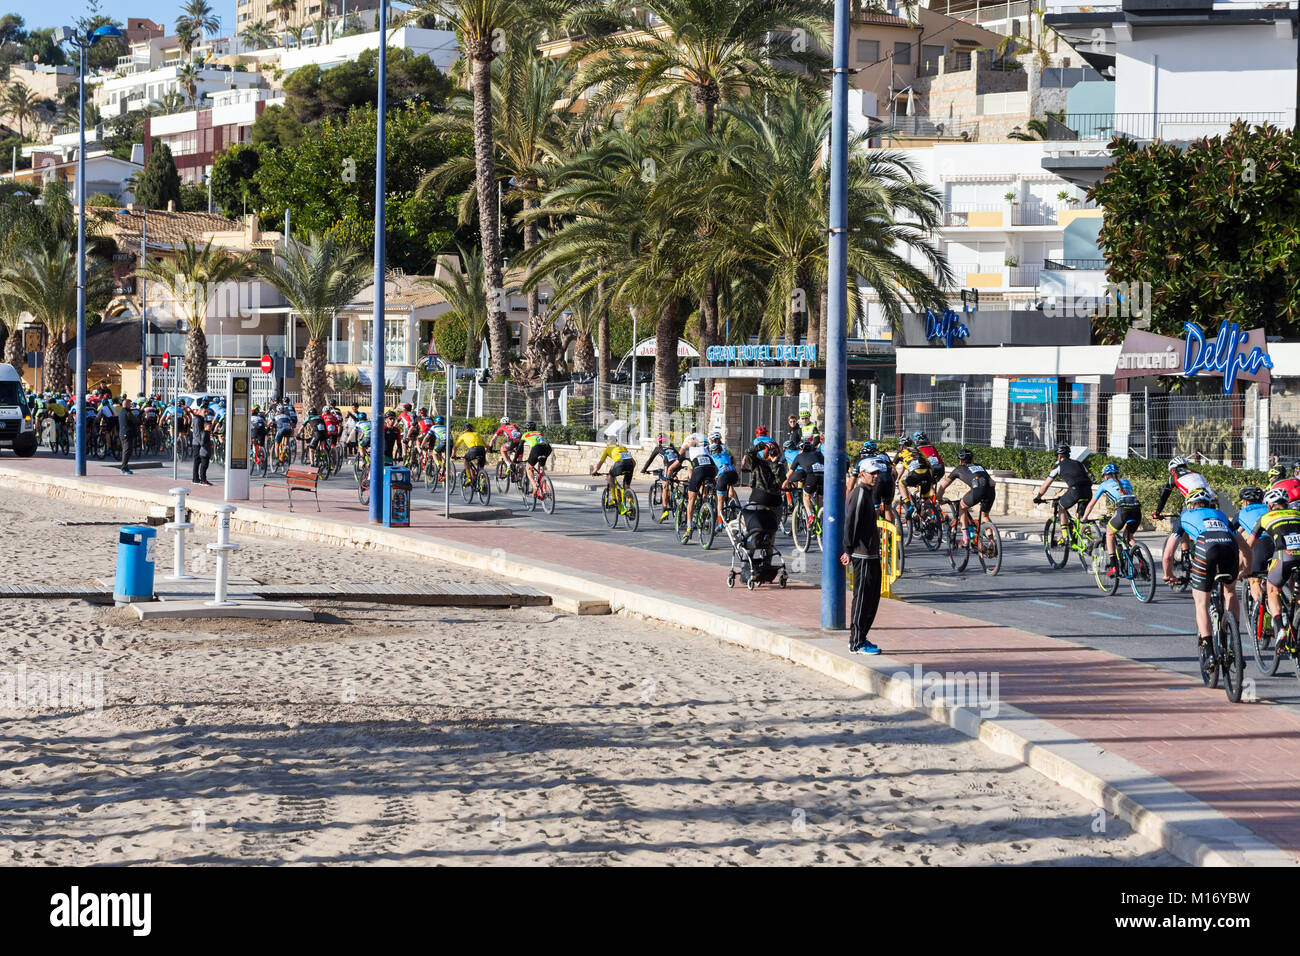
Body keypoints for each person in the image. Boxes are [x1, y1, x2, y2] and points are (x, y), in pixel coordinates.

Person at [1162, 487, 1244, 654]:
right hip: (1229, 548)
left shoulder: (1184, 517)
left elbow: (1168, 555)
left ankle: (1208, 650)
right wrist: (1247, 567)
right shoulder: (1221, 516)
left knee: (1201, 602)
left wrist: (1168, 575)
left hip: (1206, 548)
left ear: (1190, 506)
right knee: (1230, 592)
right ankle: (1234, 639)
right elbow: (1246, 549)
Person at [1242, 488, 1300, 652]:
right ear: (1287, 503)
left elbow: (1249, 545)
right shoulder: (1297, 514)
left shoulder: (1265, 517)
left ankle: (1280, 628)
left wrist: (1242, 568)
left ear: (1269, 505)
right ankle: (1295, 624)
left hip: (1284, 556)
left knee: (1272, 590)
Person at [841, 457, 885, 656]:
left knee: (873, 598)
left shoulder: (869, 493)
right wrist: (848, 550)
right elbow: (851, 523)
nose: (876, 476)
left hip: (872, 554)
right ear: (862, 474)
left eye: (877, 473)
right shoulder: (859, 494)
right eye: (872, 473)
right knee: (862, 599)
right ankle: (856, 642)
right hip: (862, 555)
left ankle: (862, 637)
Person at [1080, 462, 1141, 573]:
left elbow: (1092, 503)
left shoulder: (1104, 485)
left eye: (1104, 476)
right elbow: (1125, 498)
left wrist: (1084, 518)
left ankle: (1113, 566)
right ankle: (1143, 563)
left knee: (1109, 533)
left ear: (1106, 475)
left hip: (1123, 511)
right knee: (1129, 538)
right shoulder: (1126, 481)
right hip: (1137, 510)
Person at [935, 447, 995, 547]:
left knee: (962, 506)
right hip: (990, 491)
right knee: (985, 516)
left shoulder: (958, 469)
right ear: (972, 459)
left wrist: (939, 499)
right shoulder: (980, 466)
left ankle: (965, 537)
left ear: (960, 460)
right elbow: (992, 482)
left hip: (977, 490)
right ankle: (991, 541)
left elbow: (943, 486)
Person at [1033, 442, 1093, 527]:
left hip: (1075, 491)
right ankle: (1088, 537)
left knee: (1061, 507)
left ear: (1059, 456)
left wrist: (1038, 497)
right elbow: (1085, 476)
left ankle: (1065, 536)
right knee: (1080, 517)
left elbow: (1046, 485)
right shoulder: (1080, 464)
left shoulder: (1058, 466)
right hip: (1088, 491)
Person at [1152, 456, 1215, 533]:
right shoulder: (1196, 473)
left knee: (1180, 527)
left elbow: (1164, 497)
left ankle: (1186, 544)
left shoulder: (1174, 476)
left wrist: (1157, 512)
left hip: (1194, 501)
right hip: (1210, 499)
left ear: (1173, 469)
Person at [679, 432, 717, 543]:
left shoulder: (689, 447)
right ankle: (705, 508)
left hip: (698, 468)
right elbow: (716, 469)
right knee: (703, 489)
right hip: (710, 467)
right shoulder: (706, 449)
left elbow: (681, 456)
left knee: (691, 499)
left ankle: (689, 528)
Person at [783, 439, 824, 521]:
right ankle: (820, 517)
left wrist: (783, 484)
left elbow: (790, 474)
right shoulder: (818, 454)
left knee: (806, 496)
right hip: (823, 476)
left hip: (812, 476)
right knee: (820, 496)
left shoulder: (798, 457)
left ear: (801, 449)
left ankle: (810, 517)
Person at [893, 434, 932, 512]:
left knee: (901, 484)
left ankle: (909, 507)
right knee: (925, 501)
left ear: (902, 445)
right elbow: (929, 464)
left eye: (899, 445)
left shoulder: (901, 453)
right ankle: (931, 518)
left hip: (916, 474)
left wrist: (894, 479)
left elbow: (892, 468)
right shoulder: (918, 450)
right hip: (928, 473)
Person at [709, 433, 739, 520]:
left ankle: (719, 522)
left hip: (723, 475)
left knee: (720, 501)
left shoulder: (712, 456)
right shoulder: (726, 450)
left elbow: (714, 469)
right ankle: (731, 497)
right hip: (733, 473)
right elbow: (733, 458)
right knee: (730, 484)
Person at [520, 421, 551, 495]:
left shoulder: (525, 434)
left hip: (536, 450)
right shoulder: (540, 433)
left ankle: (534, 486)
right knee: (541, 471)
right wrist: (545, 456)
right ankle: (544, 490)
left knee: (528, 467)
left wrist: (515, 459)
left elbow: (519, 447)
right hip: (546, 450)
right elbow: (550, 448)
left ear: (527, 429)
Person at [118, 398, 135, 475]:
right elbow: (135, 420)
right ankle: (124, 468)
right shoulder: (127, 412)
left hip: (124, 433)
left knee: (127, 451)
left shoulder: (122, 411)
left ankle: (125, 466)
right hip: (127, 434)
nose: (130, 405)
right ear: (126, 404)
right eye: (129, 404)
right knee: (127, 451)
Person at [194, 419, 214, 485]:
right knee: (204, 466)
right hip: (204, 453)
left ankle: (204, 479)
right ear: (205, 426)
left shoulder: (207, 433)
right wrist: (208, 444)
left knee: (205, 466)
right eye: (209, 426)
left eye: (211, 426)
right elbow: (202, 442)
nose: (210, 428)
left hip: (205, 452)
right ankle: (203, 480)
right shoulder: (205, 433)